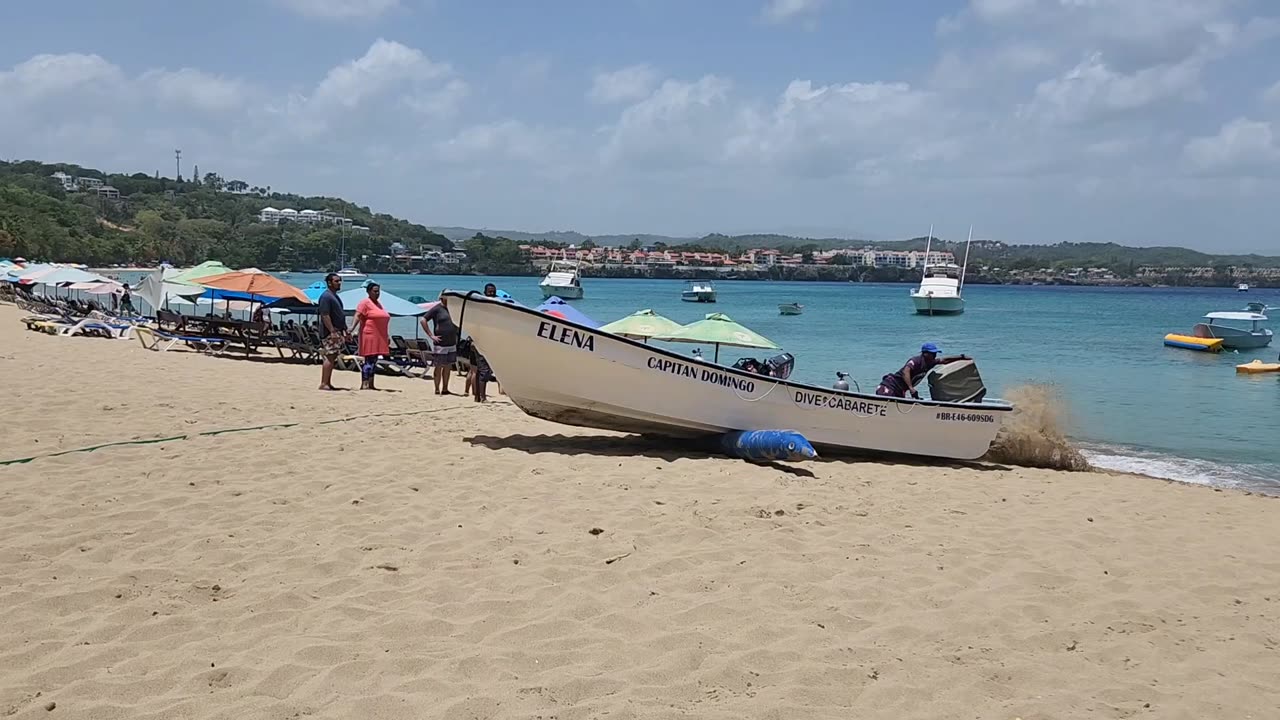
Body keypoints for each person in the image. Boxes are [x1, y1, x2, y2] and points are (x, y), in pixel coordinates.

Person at [875, 342, 968, 399]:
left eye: (935, 353)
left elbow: (944, 360)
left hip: (900, 390)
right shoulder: (916, 361)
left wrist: (961, 357)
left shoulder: (931, 362)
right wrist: (911, 388)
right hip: (889, 386)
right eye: (932, 353)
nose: (935, 355)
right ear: (925, 354)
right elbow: (906, 371)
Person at [353, 282, 391, 391]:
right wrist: (351, 328)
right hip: (369, 335)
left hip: (379, 336)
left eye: (378, 291)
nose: (377, 293)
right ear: (368, 292)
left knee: (374, 361)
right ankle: (364, 384)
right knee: (368, 360)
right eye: (375, 291)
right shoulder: (365, 303)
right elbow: (357, 315)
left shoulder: (378, 304)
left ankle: (371, 383)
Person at [421, 291, 458, 395]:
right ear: (442, 298)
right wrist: (431, 335)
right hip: (440, 343)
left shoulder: (453, 309)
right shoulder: (437, 309)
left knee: (448, 366)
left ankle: (445, 388)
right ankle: (437, 388)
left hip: (452, 342)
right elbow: (423, 320)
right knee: (439, 366)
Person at [316, 272, 347, 391]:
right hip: (330, 332)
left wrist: (344, 329)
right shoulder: (326, 296)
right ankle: (324, 383)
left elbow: (339, 315)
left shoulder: (334, 296)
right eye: (336, 281)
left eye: (340, 281)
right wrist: (332, 331)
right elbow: (325, 315)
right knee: (329, 356)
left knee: (333, 356)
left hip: (337, 330)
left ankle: (327, 382)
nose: (339, 283)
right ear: (329, 283)